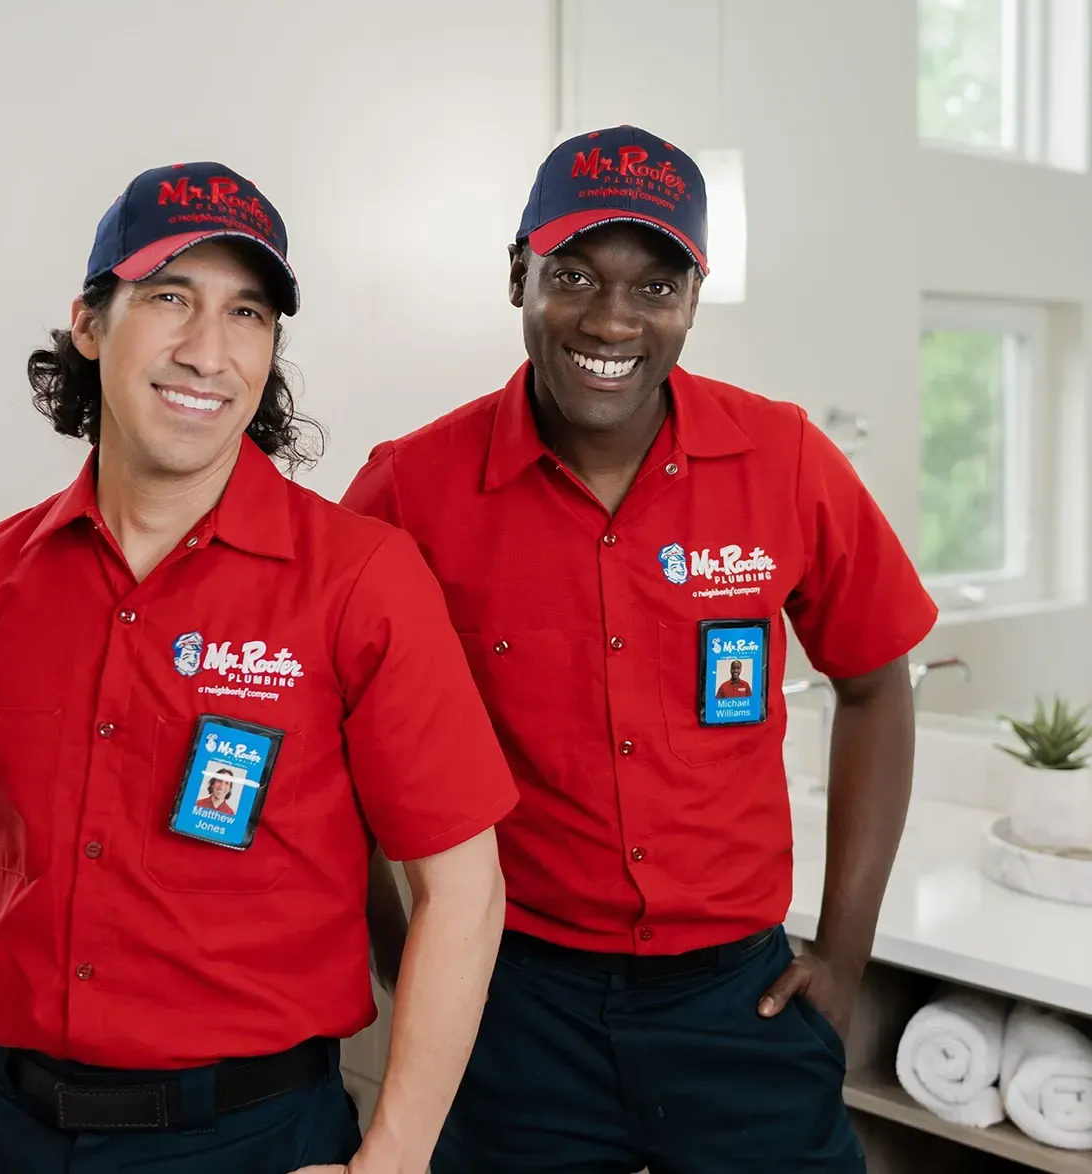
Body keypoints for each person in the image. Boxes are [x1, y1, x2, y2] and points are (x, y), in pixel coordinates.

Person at [0, 161, 518, 1174]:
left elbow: (463, 889)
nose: (208, 352)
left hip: (252, 1138)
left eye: (247, 313)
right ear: (90, 323)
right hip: (0, 1130)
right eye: (170, 297)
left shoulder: (362, 581)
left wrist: (394, 1158)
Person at [343, 125, 937, 1173]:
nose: (613, 319)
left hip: (743, 1001)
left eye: (656, 286)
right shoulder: (411, 488)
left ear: (693, 299)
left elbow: (876, 686)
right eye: (573, 275)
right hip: (514, 1003)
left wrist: (845, 957)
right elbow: (324, 746)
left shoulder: (788, 460)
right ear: (518, 275)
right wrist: (409, 959)